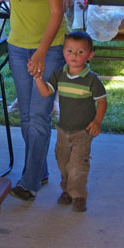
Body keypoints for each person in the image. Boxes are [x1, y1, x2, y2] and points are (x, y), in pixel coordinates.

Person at [0, 0, 68, 202]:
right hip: (17, 45)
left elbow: (56, 12)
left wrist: (41, 52)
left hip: (48, 49)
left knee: (39, 116)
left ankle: (29, 182)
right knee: (25, 116)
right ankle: (40, 170)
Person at [33, 31, 107, 213]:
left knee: (78, 166)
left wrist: (97, 121)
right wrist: (37, 78)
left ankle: (78, 195)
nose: (74, 56)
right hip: (63, 130)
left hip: (83, 132)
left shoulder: (92, 80)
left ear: (90, 55)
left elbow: (102, 101)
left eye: (80, 52)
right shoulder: (60, 75)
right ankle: (66, 190)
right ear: (63, 52)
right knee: (63, 163)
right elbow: (45, 92)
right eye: (69, 51)